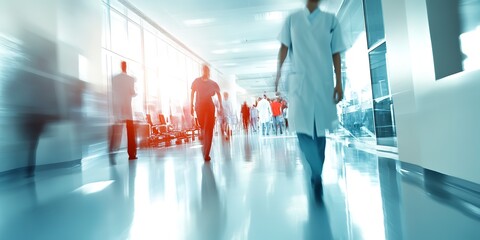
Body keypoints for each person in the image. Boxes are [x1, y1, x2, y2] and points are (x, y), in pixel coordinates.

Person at [275, 0, 347, 201]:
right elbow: (283, 48)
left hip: (323, 83)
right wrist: (278, 73)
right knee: (303, 131)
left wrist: (339, 83)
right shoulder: (292, 20)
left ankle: (316, 175)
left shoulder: (331, 20)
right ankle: (316, 171)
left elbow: (336, 53)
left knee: (319, 133)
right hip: (300, 84)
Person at [191, 65, 223, 161]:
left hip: (209, 107)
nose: (205, 71)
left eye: (207, 70)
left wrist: (220, 106)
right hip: (199, 107)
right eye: (204, 70)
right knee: (203, 128)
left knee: (209, 129)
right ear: (202, 71)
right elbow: (192, 93)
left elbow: (219, 94)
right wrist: (191, 105)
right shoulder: (196, 81)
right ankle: (204, 146)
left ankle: (206, 153)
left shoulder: (213, 83)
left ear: (209, 72)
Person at [109, 61, 137, 161]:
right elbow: (133, 92)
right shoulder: (130, 79)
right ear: (126, 67)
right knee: (130, 132)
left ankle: (112, 151)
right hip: (127, 108)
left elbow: (113, 92)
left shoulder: (114, 78)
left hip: (117, 108)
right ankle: (132, 154)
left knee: (116, 130)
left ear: (121, 66)